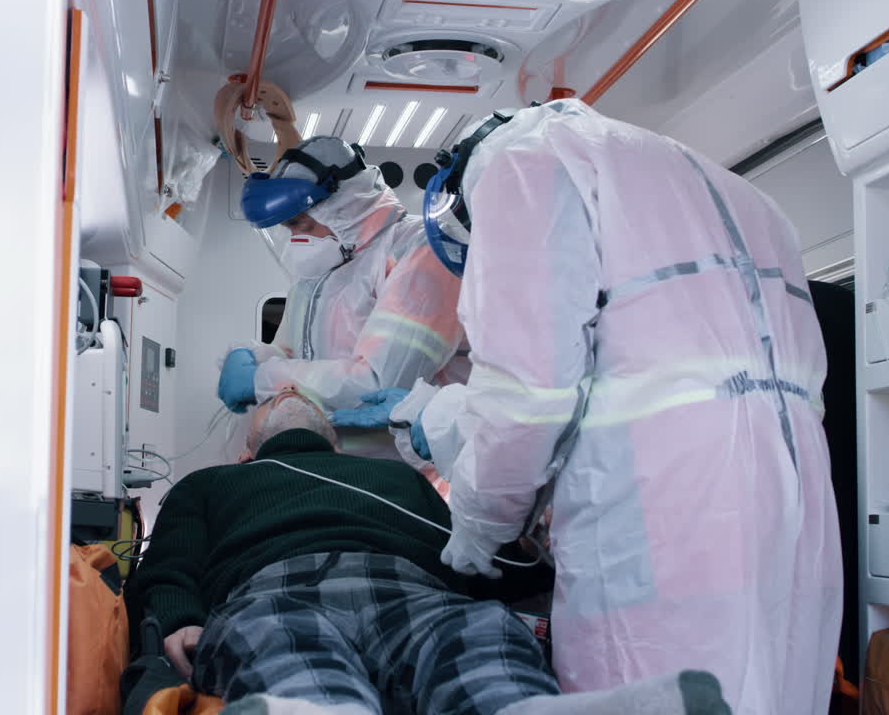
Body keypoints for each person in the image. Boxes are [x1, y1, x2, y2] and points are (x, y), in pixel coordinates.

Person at [335, 99, 843, 711]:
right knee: (785, 688)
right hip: (798, 496)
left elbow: (531, 399)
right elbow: (636, 367)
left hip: (662, 509)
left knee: (649, 693)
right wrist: (437, 414)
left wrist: (477, 523)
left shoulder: (523, 165)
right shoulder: (747, 198)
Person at [126, 389, 731, 715]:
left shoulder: (397, 478)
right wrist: (179, 618)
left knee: (470, 634)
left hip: (398, 589)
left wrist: (530, 557)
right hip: (295, 590)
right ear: (248, 455)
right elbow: (168, 564)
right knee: (454, 637)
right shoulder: (212, 484)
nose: (285, 391)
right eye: (275, 401)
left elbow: (462, 555)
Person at [217, 136, 467, 478]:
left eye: (299, 224)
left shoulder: (417, 251)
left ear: (342, 207)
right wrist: (251, 356)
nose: (296, 239)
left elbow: (378, 383)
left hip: (404, 477)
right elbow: (293, 354)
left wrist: (261, 377)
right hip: (328, 467)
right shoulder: (322, 266)